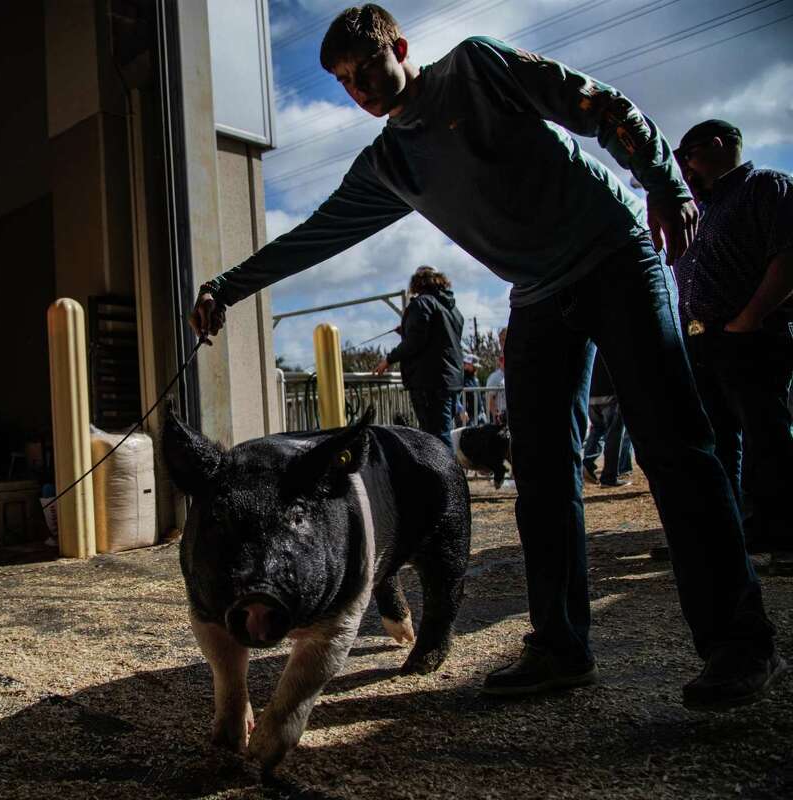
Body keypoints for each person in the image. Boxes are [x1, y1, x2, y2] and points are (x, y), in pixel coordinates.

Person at [189, 5, 781, 708]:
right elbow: (313, 236)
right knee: (540, 469)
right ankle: (561, 647)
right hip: (536, 293)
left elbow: (597, 105)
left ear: (400, 48)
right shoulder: (389, 163)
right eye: (346, 81)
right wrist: (227, 287)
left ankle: (739, 644)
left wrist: (663, 178)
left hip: (615, 256)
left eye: (368, 67)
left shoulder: (476, 67)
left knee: (676, 445)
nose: (362, 89)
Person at [674, 119, 793, 576]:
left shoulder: (766, 187)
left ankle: (784, 534)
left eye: (690, 156)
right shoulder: (699, 207)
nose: (684, 168)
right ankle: (734, 531)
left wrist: (750, 318)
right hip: (703, 341)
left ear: (720, 145)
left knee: (766, 433)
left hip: (750, 335)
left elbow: (789, 254)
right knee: (716, 440)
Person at [373, 266, 464, 449]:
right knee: (443, 433)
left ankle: (447, 477)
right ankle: (450, 475)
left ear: (417, 282)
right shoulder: (452, 308)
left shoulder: (421, 304)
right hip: (452, 378)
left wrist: (389, 359)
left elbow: (415, 342)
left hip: (430, 381)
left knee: (436, 439)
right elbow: (437, 339)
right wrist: (407, 330)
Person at [581, 350, 633, 488]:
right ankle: (609, 477)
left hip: (591, 395)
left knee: (598, 429)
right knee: (614, 435)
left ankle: (587, 463)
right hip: (611, 393)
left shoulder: (593, 342)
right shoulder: (614, 341)